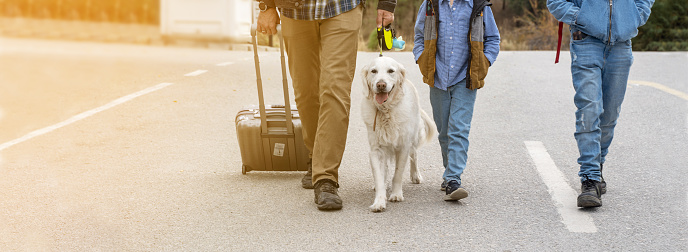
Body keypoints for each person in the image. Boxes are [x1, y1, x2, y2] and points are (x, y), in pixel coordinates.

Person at [256, 0, 396, 211]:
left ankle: (326, 177)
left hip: (342, 7)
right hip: (294, 10)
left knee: (335, 90)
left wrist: (387, 3)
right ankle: (316, 155)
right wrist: (266, 6)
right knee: (306, 91)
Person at [547, 0, 655, 207]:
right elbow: (555, 2)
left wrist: (635, 17)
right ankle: (590, 178)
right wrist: (582, 18)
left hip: (621, 45)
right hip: (586, 42)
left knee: (610, 113)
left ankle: (598, 163)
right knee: (589, 110)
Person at [413, 0, 500, 201]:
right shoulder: (430, 4)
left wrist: (485, 62)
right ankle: (449, 173)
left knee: (458, 129)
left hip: (466, 77)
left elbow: (493, 39)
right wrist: (421, 58)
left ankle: (453, 179)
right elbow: (419, 35)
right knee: (444, 131)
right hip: (437, 76)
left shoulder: (479, 5)